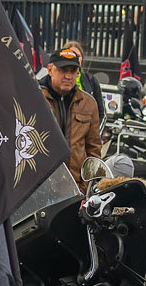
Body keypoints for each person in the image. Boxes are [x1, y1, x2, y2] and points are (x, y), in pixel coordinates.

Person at [42, 47, 103, 190]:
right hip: (39, 189)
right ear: (50, 70)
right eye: (63, 70)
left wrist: (86, 186)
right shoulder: (34, 98)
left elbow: (93, 149)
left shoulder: (88, 103)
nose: (68, 76)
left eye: (73, 71)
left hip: (75, 188)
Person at [62, 40, 105, 122]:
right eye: (72, 54)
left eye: (78, 55)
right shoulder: (56, 79)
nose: (76, 58)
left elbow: (101, 113)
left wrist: (94, 132)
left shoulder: (91, 80)